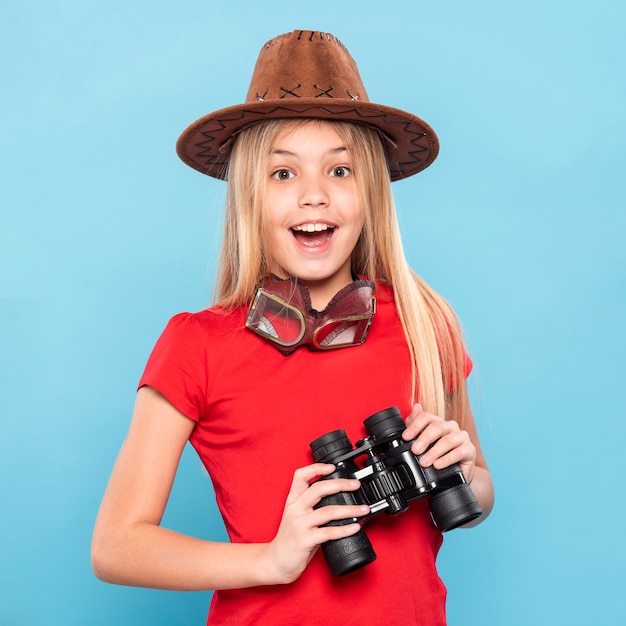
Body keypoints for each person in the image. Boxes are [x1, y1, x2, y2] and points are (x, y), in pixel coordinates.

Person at [91, 29, 494, 625]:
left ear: (371, 194)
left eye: (340, 170)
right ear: (250, 195)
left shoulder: (423, 320)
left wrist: (456, 470)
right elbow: (115, 547)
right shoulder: (197, 344)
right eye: (284, 174)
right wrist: (272, 560)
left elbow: (479, 493)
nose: (313, 196)